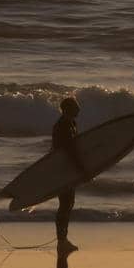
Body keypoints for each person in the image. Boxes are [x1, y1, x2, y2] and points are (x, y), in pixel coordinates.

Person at [52, 97, 90, 253]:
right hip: (62, 170)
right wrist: (82, 169)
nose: (79, 109)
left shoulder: (72, 123)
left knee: (69, 203)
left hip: (69, 170)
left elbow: (76, 148)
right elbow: (69, 152)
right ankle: (61, 241)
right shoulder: (62, 126)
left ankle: (63, 239)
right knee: (65, 204)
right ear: (68, 109)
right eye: (76, 106)